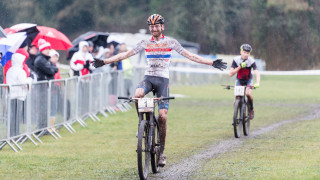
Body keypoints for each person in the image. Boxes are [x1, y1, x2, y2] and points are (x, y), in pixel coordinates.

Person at [92, 14, 227, 167]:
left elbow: (190, 56)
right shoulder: (144, 42)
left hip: (163, 81)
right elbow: (125, 54)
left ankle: (161, 153)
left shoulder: (171, 42)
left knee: (162, 116)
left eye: (157, 26)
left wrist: (211, 62)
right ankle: (141, 123)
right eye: (151, 26)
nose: (154, 29)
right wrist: (104, 61)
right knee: (137, 95)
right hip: (148, 78)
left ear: (162, 27)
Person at [229, 44, 260, 119]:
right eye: (244, 52)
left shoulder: (251, 61)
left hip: (248, 80)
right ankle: (237, 112)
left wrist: (257, 82)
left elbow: (256, 72)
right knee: (237, 98)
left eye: (247, 53)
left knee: (248, 93)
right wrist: (239, 67)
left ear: (249, 54)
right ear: (240, 52)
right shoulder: (236, 60)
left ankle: (251, 109)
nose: (246, 54)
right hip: (239, 80)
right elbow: (231, 74)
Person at [6, 53, 33, 137]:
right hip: (19, 95)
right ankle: (16, 133)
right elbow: (23, 82)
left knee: (13, 115)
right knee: (17, 116)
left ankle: (13, 133)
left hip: (11, 95)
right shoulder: (20, 71)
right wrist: (30, 79)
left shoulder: (10, 70)